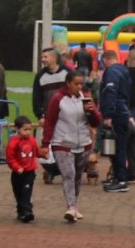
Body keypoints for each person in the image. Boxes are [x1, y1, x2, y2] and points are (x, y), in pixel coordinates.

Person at [41, 75, 97, 223]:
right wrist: (45, 144)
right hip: (62, 142)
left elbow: (96, 121)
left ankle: (74, 206)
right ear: (68, 83)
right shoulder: (58, 98)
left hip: (83, 143)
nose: (79, 87)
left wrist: (92, 111)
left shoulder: (85, 98)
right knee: (69, 174)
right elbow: (49, 121)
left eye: (81, 84)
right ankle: (71, 207)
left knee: (77, 176)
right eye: (76, 84)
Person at [97, 48, 135, 191]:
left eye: (103, 63)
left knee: (117, 146)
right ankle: (118, 176)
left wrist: (108, 115)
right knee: (118, 146)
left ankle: (121, 180)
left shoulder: (111, 72)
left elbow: (111, 92)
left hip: (116, 113)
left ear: (106, 59)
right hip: (123, 111)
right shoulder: (124, 70)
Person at [3, 116, 41, 224]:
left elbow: (36, 151)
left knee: (26, 191)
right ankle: (21, 211)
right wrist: (17, 167)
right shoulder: (13, 142)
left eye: (30, 129)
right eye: (25, 129)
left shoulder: (32, 140)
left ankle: (27, 211)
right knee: (18, 192)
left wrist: (43, 154)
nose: (28, 132)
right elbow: (10, 158)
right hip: (18, 173)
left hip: (29, 171)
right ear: (17, 129)